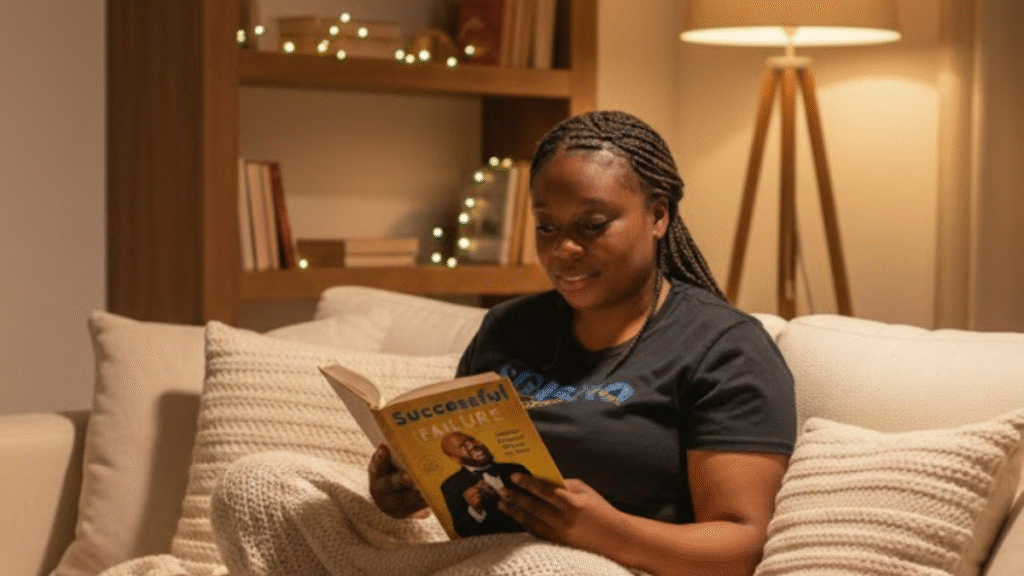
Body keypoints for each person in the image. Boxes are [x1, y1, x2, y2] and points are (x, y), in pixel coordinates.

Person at [212, 110, 796, 576]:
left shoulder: (723, 346)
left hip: (606, 565)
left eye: (593, 226)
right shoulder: (511, 327)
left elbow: (739, 548)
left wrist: (607, 531)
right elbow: (455, 496)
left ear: (658, 215)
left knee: (538, 571)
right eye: (547, 226)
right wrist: (405, 489)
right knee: (261, 483)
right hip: (474, 559)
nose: (564, 250)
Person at [437, 432, 532, 537]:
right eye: (463, 446)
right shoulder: (451, 486)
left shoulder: (517, 469)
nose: (472, 445)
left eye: (471, 440)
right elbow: (462, 531)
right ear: (454, 457)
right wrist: (475, 510)